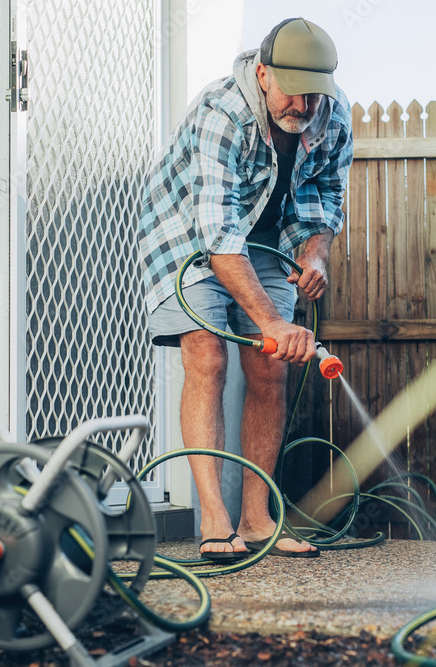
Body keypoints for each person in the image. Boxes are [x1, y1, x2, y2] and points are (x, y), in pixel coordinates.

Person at [137, 17, 353, 559]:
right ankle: (214, 520)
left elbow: (328, 195)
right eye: (291, 93)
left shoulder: (334, 114)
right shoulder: (223, 113)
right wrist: (275, 320)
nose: (302, 108)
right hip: (185, 232)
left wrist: (315, 256)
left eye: (313, 96)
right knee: (207, 357)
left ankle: (257, 520)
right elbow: (217, 235)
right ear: (262, 72)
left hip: (264, 236)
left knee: (270, 365)